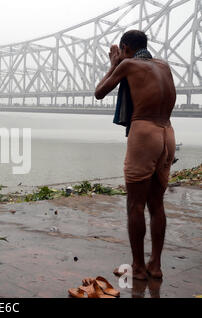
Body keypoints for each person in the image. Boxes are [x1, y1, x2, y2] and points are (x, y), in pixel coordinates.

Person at [95, 30, 176, 280]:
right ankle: (156, 265)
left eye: (122, 51)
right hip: (167, 133)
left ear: (125, 48)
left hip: (144, 133)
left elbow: (99, 92)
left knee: (135, 204)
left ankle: (138, 267)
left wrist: (114, 64)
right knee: (156, 204)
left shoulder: (128, 64)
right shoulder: (164, 65)